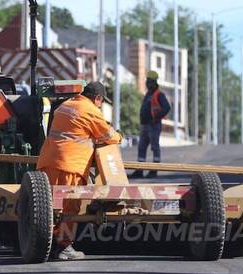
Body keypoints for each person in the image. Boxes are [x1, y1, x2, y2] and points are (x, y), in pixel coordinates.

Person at [37, 81, 122, 260]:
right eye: (101, 101)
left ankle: (49, 245)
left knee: (49, 207)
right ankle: (65, 247)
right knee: (69, 208)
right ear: (97, 98)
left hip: (47, 162)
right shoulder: (90, 110)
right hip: (70, 165)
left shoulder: (64, 106)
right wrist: (120, 135)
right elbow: (108, 136)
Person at [131, 71, 171, 178]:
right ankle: (139, 170)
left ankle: (154, 170)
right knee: (142, 147)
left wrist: (156, 117)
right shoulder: (148, 94)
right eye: (147, 81)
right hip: (145, 125)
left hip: (154, 125)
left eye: (149, 81)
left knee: (154, 147)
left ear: (153, 82)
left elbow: (167, 108)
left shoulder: (159, 95)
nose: (147, 83)